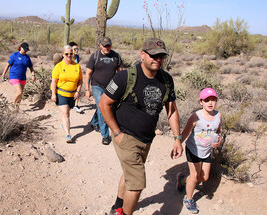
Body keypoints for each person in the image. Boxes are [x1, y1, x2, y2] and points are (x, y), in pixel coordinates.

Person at [99, 37, 183, 215]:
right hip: (125, 134)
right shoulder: (125, 77)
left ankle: (117, 207)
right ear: (142, 54)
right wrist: (117, 132)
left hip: (146, 138)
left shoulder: (166, 80)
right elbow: (103, 104)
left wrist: (177, 138)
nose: (157, 59)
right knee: (137, 184)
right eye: (153, 55)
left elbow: (172, 110)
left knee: (130, 174)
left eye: (161, 56)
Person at [176, 88, 222, 214]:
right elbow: (185, 133)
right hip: (193, 149)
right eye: (207, 100)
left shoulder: (218, 116)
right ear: (201, 102)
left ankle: (182, 179)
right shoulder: (196, 116)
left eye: (213, 100)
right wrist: (178, 144)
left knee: (204, 177)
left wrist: (219, 141)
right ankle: (189, 199)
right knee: (195, 176)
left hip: (207, 151)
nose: (210, 103)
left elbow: (218, 131)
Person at [85, 36, 124, 145]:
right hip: (97, 85)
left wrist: (122, 86)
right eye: (105, 45)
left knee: (107, 107)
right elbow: (88, 73)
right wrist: (87, 89)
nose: (107, 47)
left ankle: (94, 122)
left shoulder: (116, 56)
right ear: (100, 45)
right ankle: (105, 135)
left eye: (109, 45)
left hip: (111, 86)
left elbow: (121, 72)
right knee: (102, 108)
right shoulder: (95, 56)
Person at [51, 45, 83, 143]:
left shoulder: (77, 66)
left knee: (68, 111)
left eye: (71, 53)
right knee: (65, 113)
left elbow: (80, 81)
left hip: (72, 94)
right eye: (67, 54)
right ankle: (68, 135)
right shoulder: (58, 66)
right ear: (63, 54)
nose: (69, 55)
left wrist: (78, 91)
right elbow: (54, 81)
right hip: (61, 93)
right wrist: (53, 94)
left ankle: (64, 125)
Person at [1, 42, 35, 109]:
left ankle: (17, 109)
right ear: (20, 48)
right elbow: (8, 65)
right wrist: (3, 74)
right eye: (24, 49)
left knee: (21, 94)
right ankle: (13, 105)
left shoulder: (27, 57)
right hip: (14, 76)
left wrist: (33, 75)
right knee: (19, 92)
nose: (25, 51)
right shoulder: (14, 55)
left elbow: (31, 67)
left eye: (27, 50)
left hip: (22, 77)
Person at [69, 41, 83, 113]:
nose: (76, 51)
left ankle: (76, 105)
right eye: (75, 49)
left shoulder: (77, 57)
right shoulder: (68, 57)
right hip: (69, 77)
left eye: (77, 49)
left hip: (76, 75)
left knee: (78, 89)